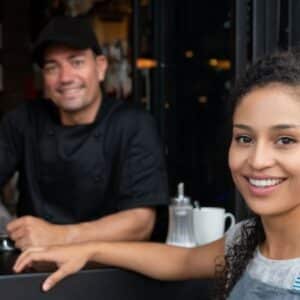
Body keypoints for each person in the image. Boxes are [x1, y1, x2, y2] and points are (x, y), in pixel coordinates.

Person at [14, 49, 300, 299]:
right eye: (244, 139)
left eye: (286, 140)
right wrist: (89, 250)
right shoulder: (248, 239)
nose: (258, 160)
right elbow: (183, 260)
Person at [0, 16, 168, 250]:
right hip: (36, 270)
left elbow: (140, 223)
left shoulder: (133, 124)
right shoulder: (24, 120)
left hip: (112, 274)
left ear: (100, 67)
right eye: (52, 67)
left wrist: (58, 236)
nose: (65, 77)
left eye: (76, 62)